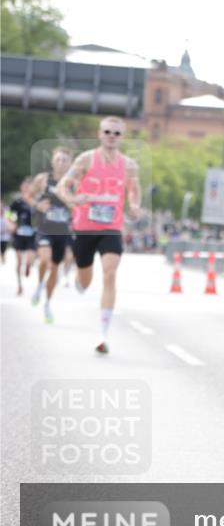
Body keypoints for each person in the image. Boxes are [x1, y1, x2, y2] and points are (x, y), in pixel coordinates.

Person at [55, 117, 141, 354]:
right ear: (99, 134)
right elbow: (63, 186)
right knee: (85, 279)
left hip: (111, 227)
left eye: (116, 133)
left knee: (110, 273)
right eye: (107, 132)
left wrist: (134, 205)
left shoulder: (129, 165)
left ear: (122, 137)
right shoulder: (86, 159)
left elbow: (134, 191)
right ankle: (79, 278)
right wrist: (73, 199)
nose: (112, 136)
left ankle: (103, 334)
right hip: (84, 226)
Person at [29, 146, 73, 324]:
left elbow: (80, 202)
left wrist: (73, 203)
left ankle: (47, 303)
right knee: (45, 260)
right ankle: (39, 284)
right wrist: (38, 205)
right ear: (52, 161)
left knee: (55, 268)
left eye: (65, 160)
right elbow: (29, 196)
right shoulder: (43, 179)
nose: (61, 163)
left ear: (70, 163)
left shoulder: (73, 182)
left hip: (62, 231)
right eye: (58, 159)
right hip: (45, 228)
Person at [8, 179, 37, 295]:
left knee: (30, 258)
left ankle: (28, 266)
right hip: (19, 234)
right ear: (21, 188)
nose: (27, 189)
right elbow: (8, 213)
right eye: (25, 187)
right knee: (19, 261)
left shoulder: (35, 202)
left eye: (29, 187)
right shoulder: (17, 202)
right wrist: (11, 223)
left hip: (32, 234)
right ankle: (19, 285)